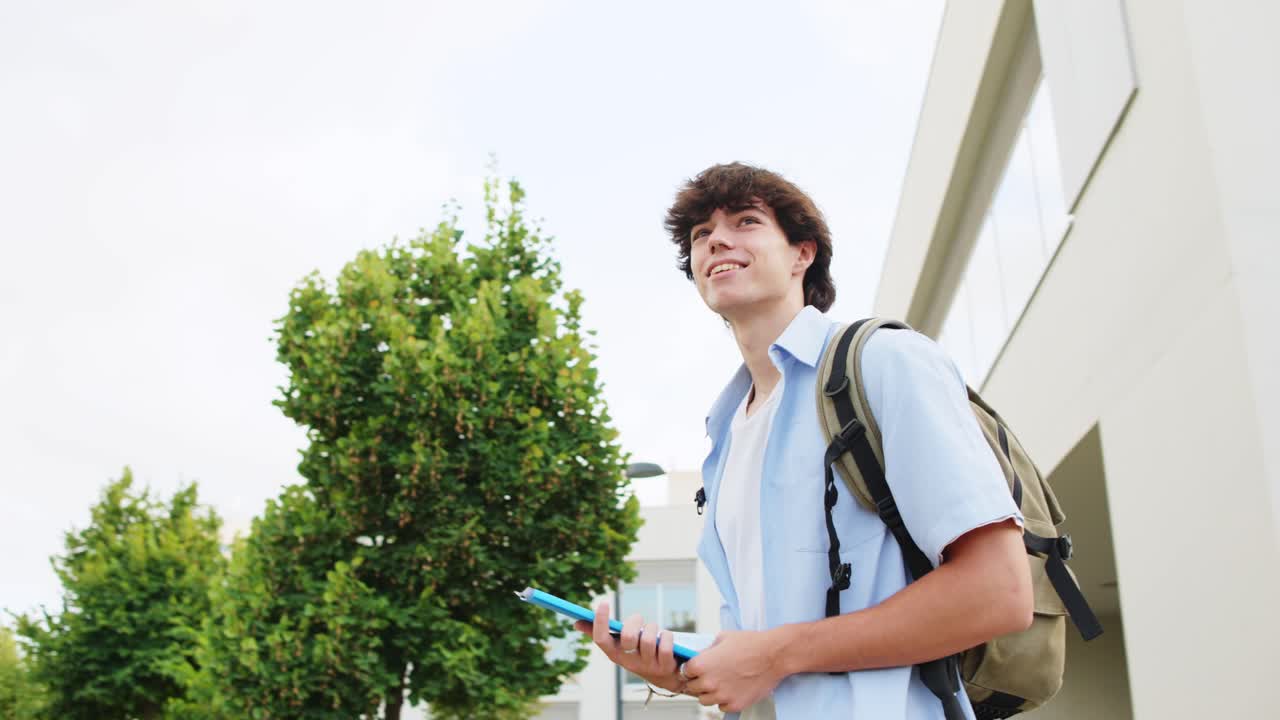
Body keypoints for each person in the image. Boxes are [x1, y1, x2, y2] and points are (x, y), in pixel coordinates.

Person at [576, 162, 1033, 719]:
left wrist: (774, 656)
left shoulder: (884, 363)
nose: (716, 238)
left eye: (745, 221)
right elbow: (759, 656)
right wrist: (683, 671)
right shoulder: (726, 434)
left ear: (803, 254)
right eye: (700, 234)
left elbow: (999, 592)